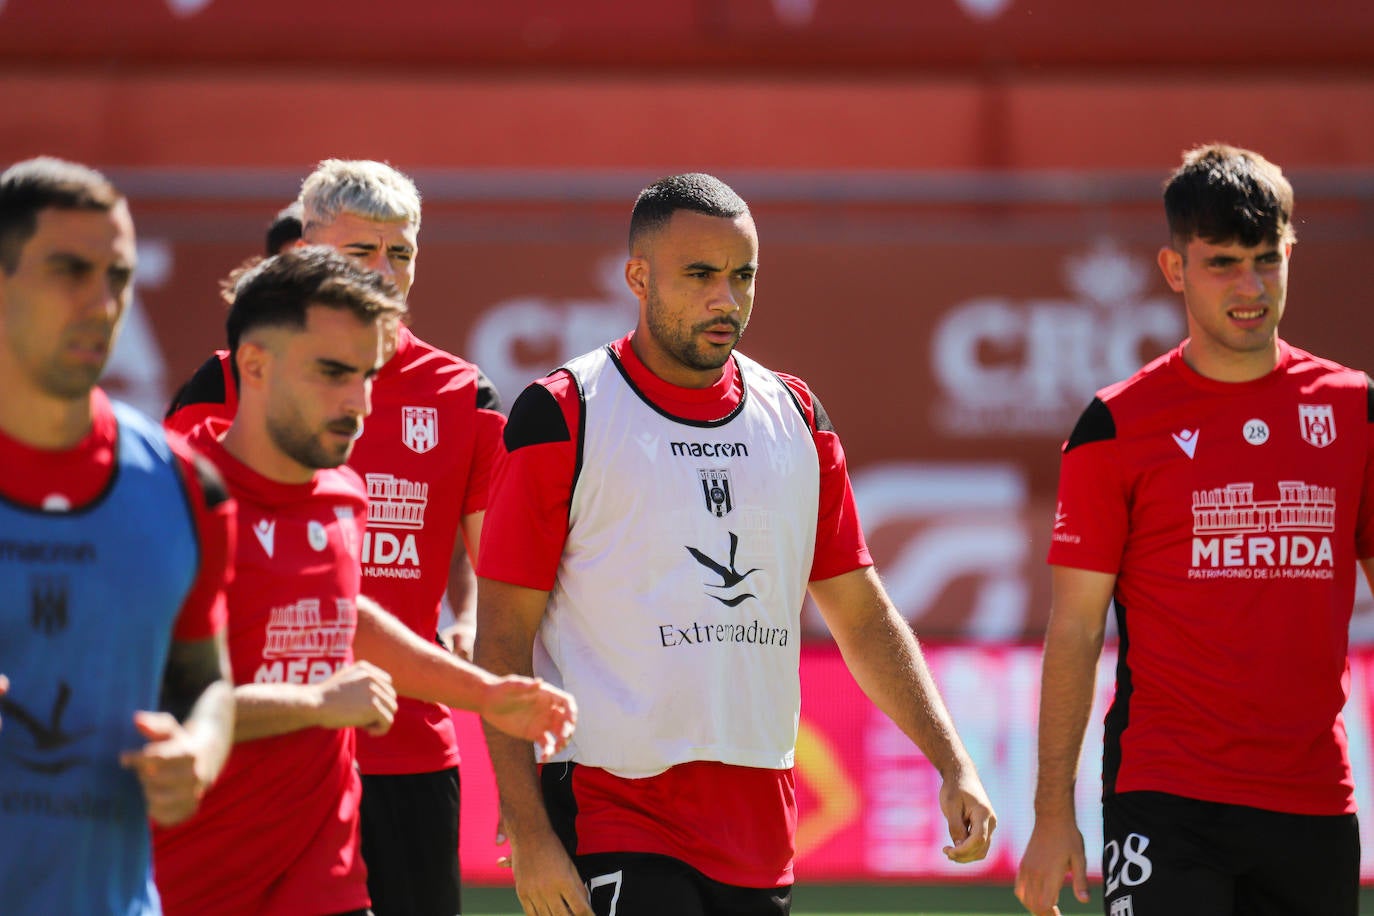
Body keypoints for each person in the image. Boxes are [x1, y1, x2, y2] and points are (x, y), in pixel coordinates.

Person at [475, 172, 996, 916]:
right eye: (700, 276)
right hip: (610, 804)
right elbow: (501, 638)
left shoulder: (798, 416)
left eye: (742, 275)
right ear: (638, 276)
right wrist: (530, 832)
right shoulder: (563, 413)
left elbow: (862, 613)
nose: (727, 298)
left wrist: (953, 763)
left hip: (760, 818)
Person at [151, 246, 576, 916]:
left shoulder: (343, 493)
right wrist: (320, 706)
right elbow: (160, 704)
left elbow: (345, 620)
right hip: (193, 885)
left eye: (367, 375)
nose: (359, 402)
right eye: (331, 374)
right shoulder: (174, 494)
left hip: (328, 881)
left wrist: (486, 693)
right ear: (254, 366)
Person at [1014, 144, 1374, 916]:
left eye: (1266, 260)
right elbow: (1075, 630)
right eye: (1222, 264)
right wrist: (1052, 814)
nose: (1251, 287)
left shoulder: (1356, 410)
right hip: (1167, 797)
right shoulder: (1114, 425)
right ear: (1174, 269)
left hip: (1314, 802)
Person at [0, 156, 236, 913]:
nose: (103, 304)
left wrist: (197, 751)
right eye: (69, 270)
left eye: (120, 276)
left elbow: (209, 685)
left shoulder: (184, 487)